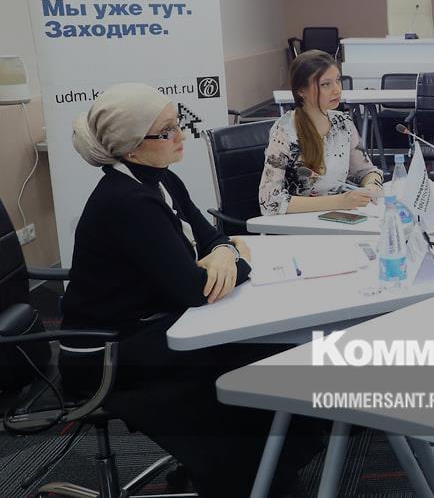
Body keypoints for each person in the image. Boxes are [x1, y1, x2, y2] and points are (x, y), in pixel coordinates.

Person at [60, 83, 321, 497]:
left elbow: (212, 237)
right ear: (131, 149)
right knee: (250, 357)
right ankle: (245, 476)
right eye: (166, 131)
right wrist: (233, 256)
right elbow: (197, 289)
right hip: (107, 352)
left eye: (177, 123)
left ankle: (264, 471)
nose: (181, 135)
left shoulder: (162, 180)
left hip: (152, 323)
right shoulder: (128, 202)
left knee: (261, 349)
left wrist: (222, 253)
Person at [259, 49, 384, 215]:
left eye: (338, 80)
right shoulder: (284, 131)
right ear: (301, 90)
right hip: (298, 222)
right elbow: (269, 202)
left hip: (339, 216)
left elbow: (366, 171)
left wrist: (371, 187)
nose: (337, 90)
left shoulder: (343, 123)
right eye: (325, 84)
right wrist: (339, 201)